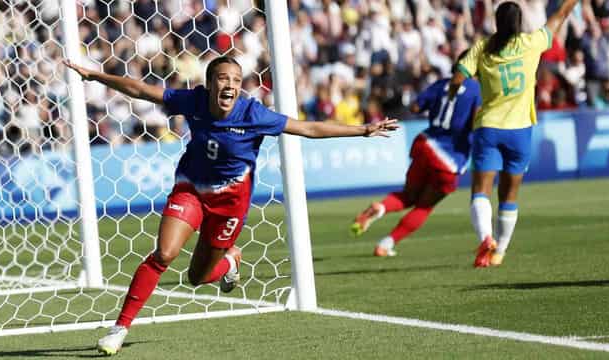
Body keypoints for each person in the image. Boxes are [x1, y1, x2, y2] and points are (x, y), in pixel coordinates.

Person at [63, 56, 398, 356]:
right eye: (224, 78)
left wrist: (363, 130)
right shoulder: (192, 101)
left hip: (230, 205)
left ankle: (230, 262)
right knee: (164, 254)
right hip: (191, 190)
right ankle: (119, 327)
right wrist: (95, 76)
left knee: (198, 277)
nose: (231, 85)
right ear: (210, 84)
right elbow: (139, 89)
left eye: (237, 80)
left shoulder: (253, 113)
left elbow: (308, 127)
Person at [448, 0, 580, 267]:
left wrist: (455, 95)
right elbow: (561, 14)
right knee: (509, 196)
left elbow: (457, 80)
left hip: (489, 128)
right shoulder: (531, 43)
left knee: (480, 191)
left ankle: (486, 238)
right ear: (519, 23)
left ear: (496, 22)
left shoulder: (483, 48)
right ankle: (499, 252)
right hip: (520, 132)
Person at [350, 52, 481, 257]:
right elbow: (477, 123)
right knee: (424, 206)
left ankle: (381, 207)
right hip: (450, 158)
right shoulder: (478, 91)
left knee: (408, 196)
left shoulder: (440, 85)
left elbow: (415, 106)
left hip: (425, 144)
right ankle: (385, 244)